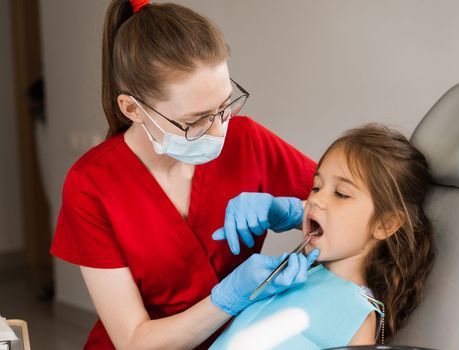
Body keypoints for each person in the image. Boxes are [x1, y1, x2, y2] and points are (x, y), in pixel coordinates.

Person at [49, 1, 320, 349]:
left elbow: (353, 206)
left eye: (224, 107)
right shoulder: (91, 184)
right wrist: (229, 297)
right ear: (132, 109)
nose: (218, 131)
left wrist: (298, 211)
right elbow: (133, 341)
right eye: (194, 121)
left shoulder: (247, 139)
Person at [211, 124, 436, 349]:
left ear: (386, 224)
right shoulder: (285, 279)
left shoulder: (359, 316)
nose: (315, 200)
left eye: (341, 194)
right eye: (316, 187)